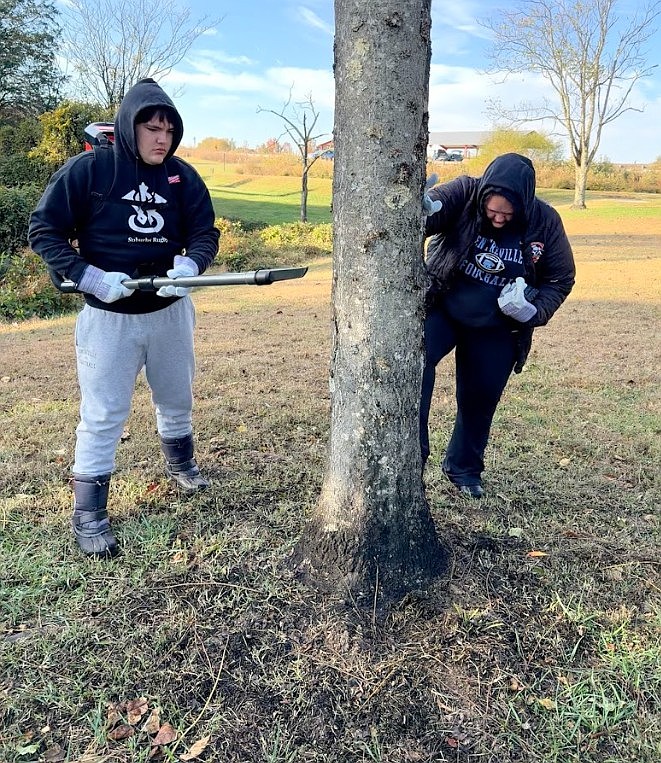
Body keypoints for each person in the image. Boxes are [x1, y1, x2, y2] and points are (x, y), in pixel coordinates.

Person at [28, 78, 220, 558]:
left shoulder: (181, 177)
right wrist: (87, 276)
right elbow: (43, 230)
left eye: (169, 130)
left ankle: (181, 465)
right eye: (152, 128)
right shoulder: (91, 171)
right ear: (128, 127)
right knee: (104, 413)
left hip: (170, 310)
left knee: (177, 396)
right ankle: (89, 514)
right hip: (109, 318)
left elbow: (205, 232)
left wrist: (191, 266)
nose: (162, 139)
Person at [421, 153, 575, 498]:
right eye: (493, 211)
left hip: (498, 326)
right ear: (484, 194)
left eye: (508, 213)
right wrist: (420, 206)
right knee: (416, 366)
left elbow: (561, 277)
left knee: (480, 397)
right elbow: (433, 210)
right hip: (443, 306)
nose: (499, 219)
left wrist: (531, 311)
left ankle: (464, 469)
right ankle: (412, 458)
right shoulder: (464, 192)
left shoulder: (545, 221)